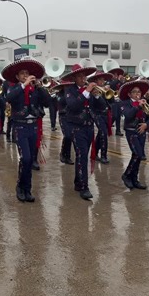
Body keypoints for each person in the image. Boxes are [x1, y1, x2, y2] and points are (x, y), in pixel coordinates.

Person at [2, 58, 49, 203]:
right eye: (22, 74)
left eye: (27, 73)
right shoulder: (14, 88)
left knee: (30, 160)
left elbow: (47, 102)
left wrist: (40, 87)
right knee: (26, 158)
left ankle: (27, 189)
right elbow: (8, 98)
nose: (25, 76)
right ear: (17, 77)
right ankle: (20, 186)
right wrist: (24, 85)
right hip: (20, 126)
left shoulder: (35, 90)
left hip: (33, 126)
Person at [62, 64, 98, 200]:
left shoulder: (90, 90)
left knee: (82, 156)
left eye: (85, 76)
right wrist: (87, 92)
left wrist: (98, 96)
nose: (83, 78)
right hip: (77, 128)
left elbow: (101, 107)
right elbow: (73, 106)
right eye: (80, 76)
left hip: (89, 127)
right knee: (82, 156)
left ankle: (78, 182)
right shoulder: (70, 90)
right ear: (74, 78)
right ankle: (84, 187)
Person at [119, 80, 149, 190]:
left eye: (139, 92)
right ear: (129, 94)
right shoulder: (125, 103)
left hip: (142, 131)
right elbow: (128, 115)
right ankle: (126, 175)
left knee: (138, 157)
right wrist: (138, 106)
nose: (137, 94)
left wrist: (147, 125)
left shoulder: (145, 102)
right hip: (131, 131)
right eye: (134, 92)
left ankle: (134, 179)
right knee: (138, 154)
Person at [87, 70, 114, 164]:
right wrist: (96, 95)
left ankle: (94, 153)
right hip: (96, 114)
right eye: (100, 80)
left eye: (103, 79)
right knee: (103, 133)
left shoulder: (104, 90)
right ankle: (103, 155)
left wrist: (108, 92)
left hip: (105, 114)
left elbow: (111, 101)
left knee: (100, 134)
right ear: (95, 81)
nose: (102, 82)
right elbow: (92, 104)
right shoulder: (93, 90)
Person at [53, 79, 74, 164]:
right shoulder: (60, 94)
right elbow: (62, 103)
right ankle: (63, 153)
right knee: (67, 135)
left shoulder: (72, 93)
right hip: (63, 116)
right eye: (66, 85)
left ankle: (67, 156)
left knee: (71, 136)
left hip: (71, 116)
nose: (67, 87)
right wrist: (67, 93)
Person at [108, 68, 124, 136]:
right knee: (114, 115)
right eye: (114, 74)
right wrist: (117, 80)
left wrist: (122, 81)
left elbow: (123, 86)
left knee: (118, 116)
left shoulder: (119, 82)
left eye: (116, 74)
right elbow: (111, 84)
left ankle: (118, 130)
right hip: (112, 101)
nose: (116, 76)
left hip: (119, 100)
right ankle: (108, 126)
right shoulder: (109, 81)